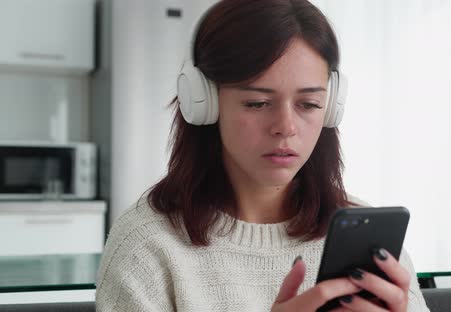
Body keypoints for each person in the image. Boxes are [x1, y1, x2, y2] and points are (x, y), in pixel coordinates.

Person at [96, 0, 430, 311]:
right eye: (257, 103)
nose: (285, 127)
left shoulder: (369, 240)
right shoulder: (146, 246)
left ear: (330, 109)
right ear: (203, 103)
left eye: (309, 104)